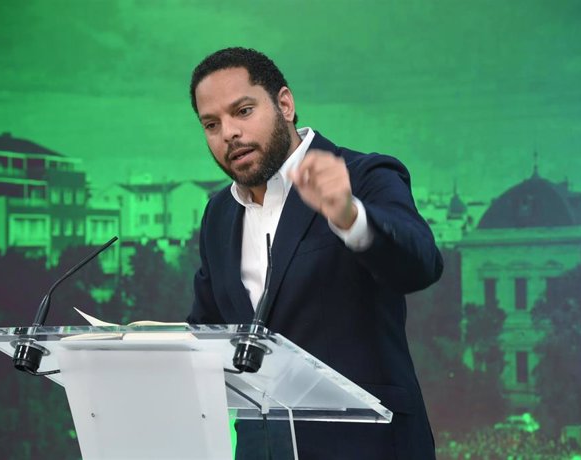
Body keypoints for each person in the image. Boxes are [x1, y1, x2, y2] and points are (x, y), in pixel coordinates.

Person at [187, 47, 443, 459]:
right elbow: (209, 327)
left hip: (369, 446)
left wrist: (349, 216)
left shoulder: (364, 175)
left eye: (244, 111)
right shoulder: (219, 213)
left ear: (285, 104)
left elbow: (420, 264)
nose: (229, 133)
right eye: (211, 124)